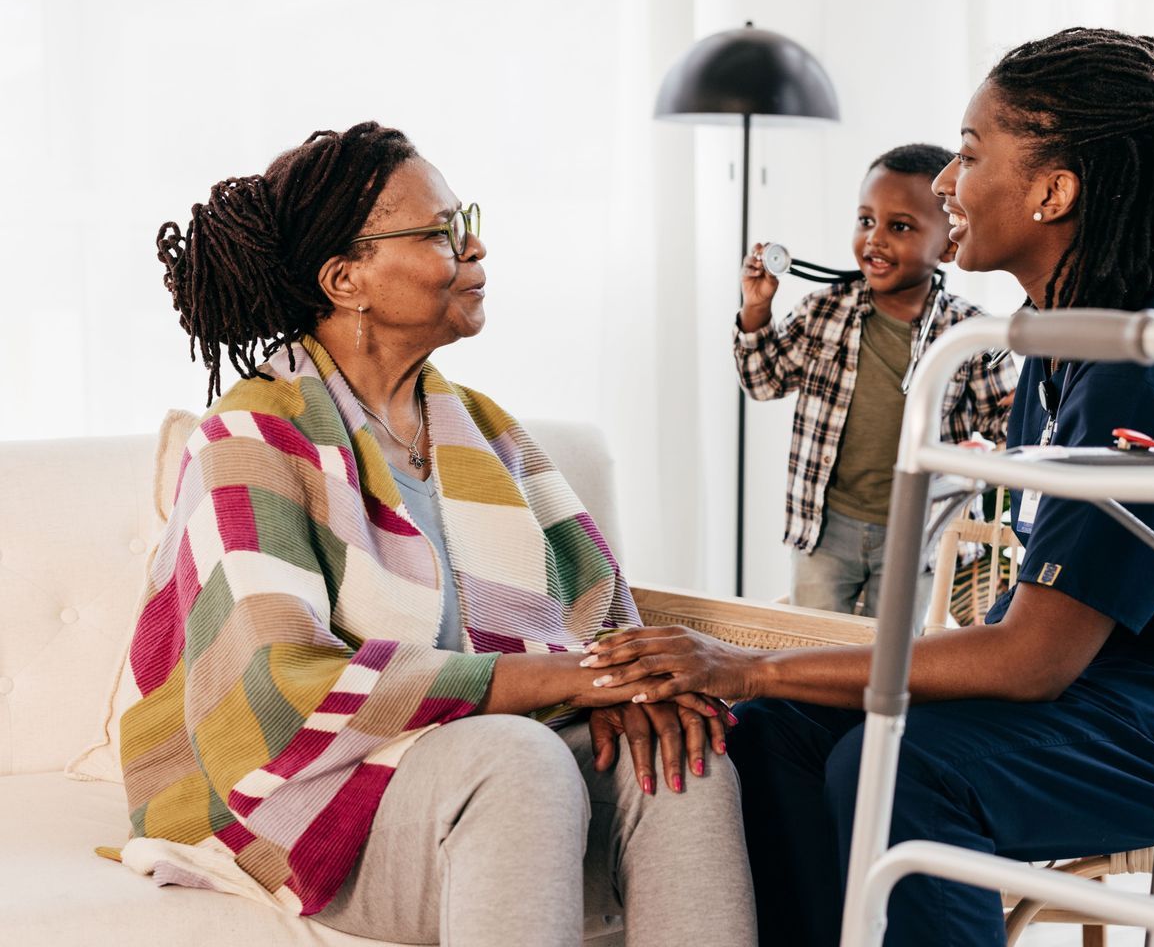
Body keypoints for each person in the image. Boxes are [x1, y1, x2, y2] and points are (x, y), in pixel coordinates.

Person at [580, 29, 1154, 946]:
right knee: (773, 732)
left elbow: (1032, 658)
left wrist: (746, 660)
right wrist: (761, 685)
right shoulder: (1048, 341)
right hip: (1104, 694)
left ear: (1055, 191)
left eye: (971, 155)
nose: (945, 182)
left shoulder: (1152, 365)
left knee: (898, 764)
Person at [116, 122, 756, 946]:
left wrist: (627, 688)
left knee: (682, 758)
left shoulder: (485, 433)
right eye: (443, 231)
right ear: (347, 279)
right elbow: (282, 687)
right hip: (311, 792)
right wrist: (570, 680)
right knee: (513, 761)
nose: (476, 246)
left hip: (472, 767)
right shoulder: (250, 440)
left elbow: (602, 622)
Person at [733, 144, 1017, 624]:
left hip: (919, 534)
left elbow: (1009, 427)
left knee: (893, 658)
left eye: (899, 226)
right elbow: (764, 382)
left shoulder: (970, 334)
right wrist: (756, 310)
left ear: (948, 245)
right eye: (866, 221)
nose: (875, 240)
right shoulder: (824, 310)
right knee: (814, 647)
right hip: (825, 527)